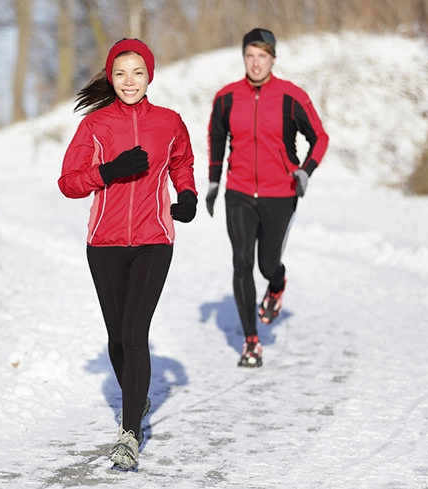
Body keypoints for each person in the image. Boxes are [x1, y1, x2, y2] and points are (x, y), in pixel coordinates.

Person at [58, 38, 197, 470]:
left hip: (155, 239)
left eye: (137, 72)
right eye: (120, 73)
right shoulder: (95, 126)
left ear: (149, 75)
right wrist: (110, 171)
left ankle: (129, 432)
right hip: (104, 244)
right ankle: (139, 396)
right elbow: (68, 182)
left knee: (136, 334)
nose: (129, 81)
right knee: (118, 337)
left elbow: (182, 163)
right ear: (110, 78)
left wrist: (187, 195)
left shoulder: (169, 122)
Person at [206, 28, 329, 368]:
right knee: (242, 262)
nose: (255, 63)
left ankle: (276, 284)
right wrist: (215, 182)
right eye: (249, 56)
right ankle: (251, 341)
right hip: (240, 191)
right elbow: (217, 138)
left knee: (266, 264)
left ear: (273, 58)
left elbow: (319, 137)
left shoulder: (292, 97)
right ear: (243, 58)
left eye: (262, 56)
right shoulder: (227, 98)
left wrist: (305, 171)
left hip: (280, 193)